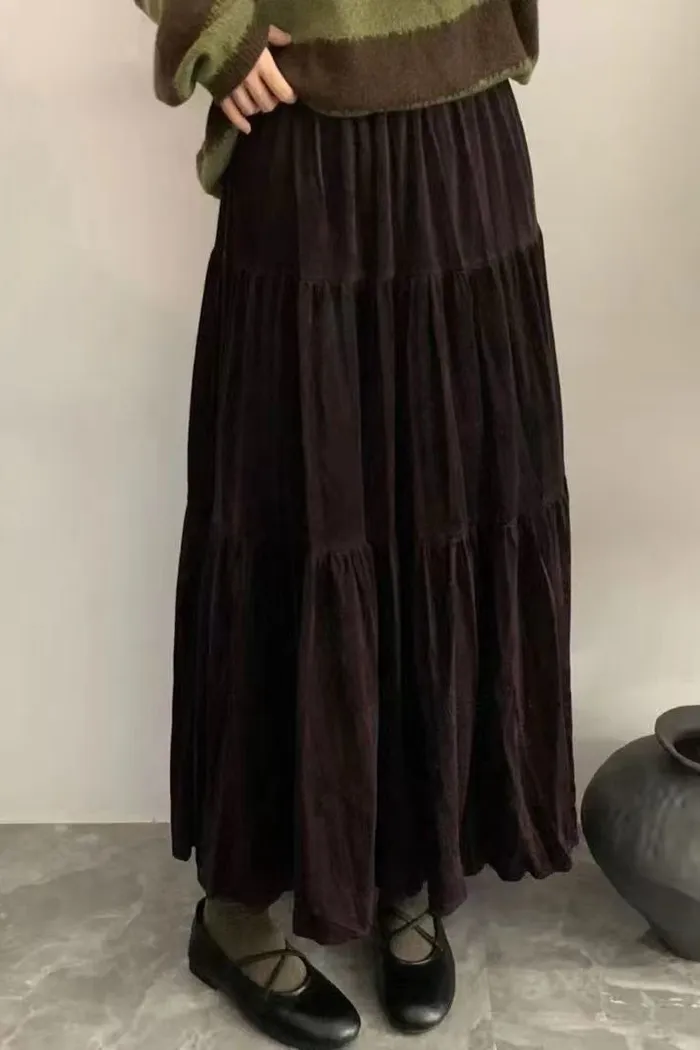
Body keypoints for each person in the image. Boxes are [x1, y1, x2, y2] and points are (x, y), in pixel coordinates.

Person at [135, 2, 577, 1047]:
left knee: (444, 502)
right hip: (304, 128)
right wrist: (209, 17)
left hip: (463, 119)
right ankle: (237, 905)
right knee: (291, 506)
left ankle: (404, 864)